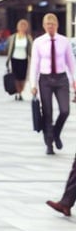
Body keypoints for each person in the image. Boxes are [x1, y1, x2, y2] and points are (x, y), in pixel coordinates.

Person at [29, 13, 76, 155]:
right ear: (44, 26)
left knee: (65, 111)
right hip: (45, 80)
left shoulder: (64, 41)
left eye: (53, 24)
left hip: (61, 79)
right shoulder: (38, 42)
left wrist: (74, 80)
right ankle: (49, 144)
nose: (50, 26)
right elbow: (35, 65)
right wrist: (33, 84)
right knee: (47, 112)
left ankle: (56, 132)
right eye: (48, 24)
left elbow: (71, 63)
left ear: (57, 25)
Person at [5, 19, 32, 101]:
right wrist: (8, 58)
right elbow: (8, 46)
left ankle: (21, 91)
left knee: (23, 77)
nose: (22, 28)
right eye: (21, 26)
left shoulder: (28, 38)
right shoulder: (13, 37)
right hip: (14, 59)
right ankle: (17, 92)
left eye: (24, 26)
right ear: (18, 27)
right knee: (15, 77)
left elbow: (31, 49)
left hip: (24, 59)